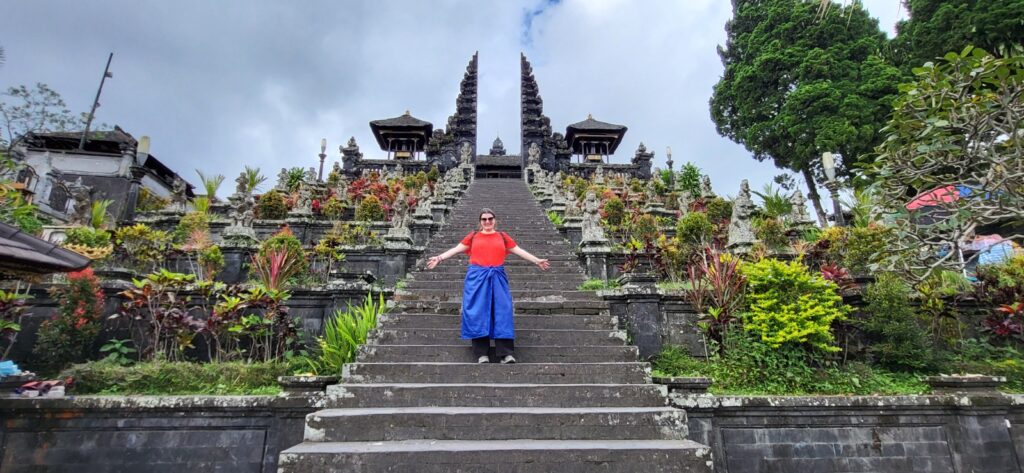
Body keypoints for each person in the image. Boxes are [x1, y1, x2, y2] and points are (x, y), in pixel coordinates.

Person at [426, 208, 551, 363]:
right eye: (484, 219)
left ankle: (505, 353)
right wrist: (439, 258)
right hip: (476, 278)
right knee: (478, 312)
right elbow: (455, 250)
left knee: (502, 311)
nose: (487, 222)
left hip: (497, 276)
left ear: (494, 220)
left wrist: (537, 260)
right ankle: (481, 353)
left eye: (490, 219)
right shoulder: (473, 237)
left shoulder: (502, 237)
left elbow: (519, 251)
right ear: (480, 222)